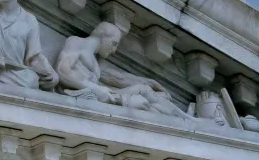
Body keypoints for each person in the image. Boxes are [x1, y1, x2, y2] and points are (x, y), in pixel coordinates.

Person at [55, 21, 188, 116]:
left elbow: (118, 78)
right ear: (102, 35)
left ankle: (187, 120)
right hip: (90, 96)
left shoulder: (96, 63)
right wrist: (96, 88)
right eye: (113, 44)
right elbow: (63, 70)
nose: (114, 51)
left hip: (103, 96)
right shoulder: (77, 42)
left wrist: (151, 82)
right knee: (143, 104)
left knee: (145, 90)